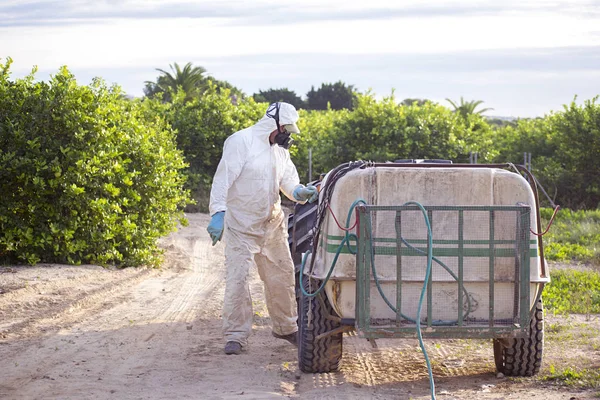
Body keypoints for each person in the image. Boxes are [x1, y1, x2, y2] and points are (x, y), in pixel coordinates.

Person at [207, 102, 319, 355]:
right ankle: (236, 335)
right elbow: (223, 179)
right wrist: (218, 212)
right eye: (286, 129)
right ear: (274, 124)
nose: (287, 135)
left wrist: (300, 192)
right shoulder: (240, 142)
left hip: (272, 224)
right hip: (241, 225)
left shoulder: (279, 152)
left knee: (282, 276)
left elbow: (289, 181)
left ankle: (286, 327)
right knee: (238, 280)